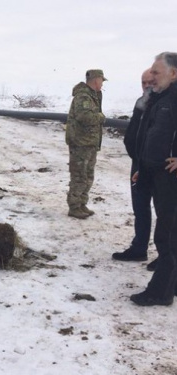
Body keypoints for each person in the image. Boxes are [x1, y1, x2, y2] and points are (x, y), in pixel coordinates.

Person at [130, 52, 177, 306]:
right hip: (156, 174)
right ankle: (172, 284)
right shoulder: (162, 98)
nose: (152, 77)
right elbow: (152, 137)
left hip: (171, 177)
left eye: (157, 72)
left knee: (166, 237)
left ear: (174, 73)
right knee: (171, 235)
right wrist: (143, 169)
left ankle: (160, 292)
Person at [112, 69, 154, 262]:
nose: (146, 86)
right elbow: (134, 132)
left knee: (166, 213)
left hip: (159, 165)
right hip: (138, 163)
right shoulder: (141, 103)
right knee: (140, 207)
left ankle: (167, 258)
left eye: (150, 82)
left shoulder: (167, 103)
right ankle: (139, 248)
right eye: (143, 82)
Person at [65, 69, 107, 219]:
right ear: (96, 80)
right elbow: (84, 116)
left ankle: (82, 203)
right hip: (80, 143)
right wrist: (100, 117)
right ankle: (74, 207)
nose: (102, 84)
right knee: (79, 175)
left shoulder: (92, 96)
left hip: (89, 143)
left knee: (88, 175)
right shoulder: (83, 96)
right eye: (102, 80)